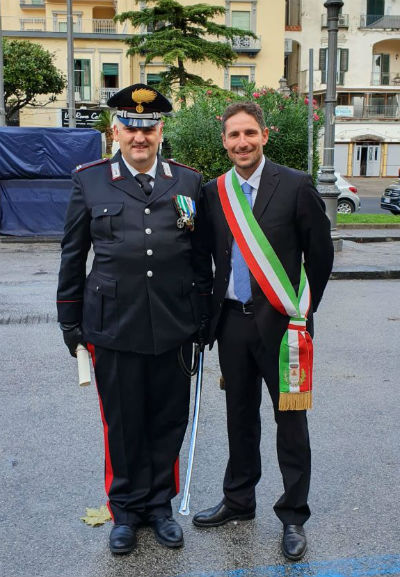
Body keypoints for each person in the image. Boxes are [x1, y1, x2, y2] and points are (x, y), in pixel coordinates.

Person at [57, 84, 204, 554]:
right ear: (115, 131)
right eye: (131, 130)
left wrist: (202, 319)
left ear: (161, 132)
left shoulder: (188, 181)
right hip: (113, 324)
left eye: (150, 130)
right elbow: (73, 254)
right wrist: (69, 321)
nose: (140, 138)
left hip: (173, 325)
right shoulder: (90, 179)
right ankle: (125, 510)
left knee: (167, 420)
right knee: (122, 423)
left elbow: (200, 258)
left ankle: (159, 507)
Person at [192, 101, 334, 561]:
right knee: (239, 416)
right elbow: (207, 257)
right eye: (233, 136)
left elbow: (321, 254)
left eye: (249, 133)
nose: (241, 143)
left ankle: (293, 513)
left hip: (282, 325)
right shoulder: (215, 193)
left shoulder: (295, 185)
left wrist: (302, 310)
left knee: (290, 420)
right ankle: (239, 500)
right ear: (225, 142)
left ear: (264, 135)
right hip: (232, 322)